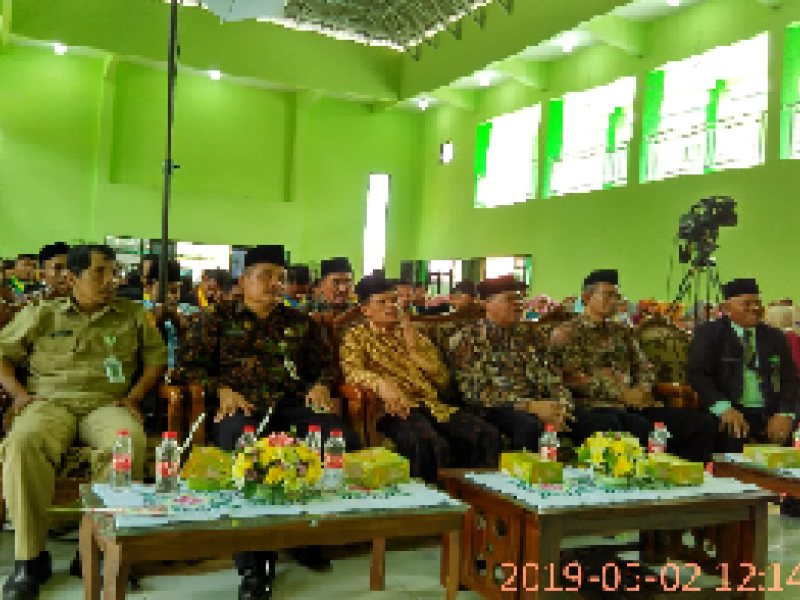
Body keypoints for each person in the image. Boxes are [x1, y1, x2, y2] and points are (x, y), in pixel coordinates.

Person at [176, 245, 360, 600]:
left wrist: (321, 383)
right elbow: (184, 367)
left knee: (338, 440)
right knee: (251, 458)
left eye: (281, 278)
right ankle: (253, 563)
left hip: (291, 405)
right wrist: (221, 388)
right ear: (243, 281)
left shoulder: (298, 322)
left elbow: (325, 365)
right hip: (241, 409)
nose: (275, 285)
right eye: (265, 277)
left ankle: (303, 535)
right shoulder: (216, 319)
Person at [0, 245, 167, 600]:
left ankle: (98, 549)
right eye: (100, 273)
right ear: (72, 277)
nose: (111, 281)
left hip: (106, 404)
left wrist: (135, 396)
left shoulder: (133, 314)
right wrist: (17, 395)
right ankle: (30, 559)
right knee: (24, 440)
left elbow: (155, 359)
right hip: (49, 403)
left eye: (114, 272)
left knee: (127, 440)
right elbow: (2, 354)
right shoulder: (42, 313)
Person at [340, 274, 500, 484]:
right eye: (383, 302)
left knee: (485, 434)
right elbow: (352, 371)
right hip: (396, 409)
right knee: (427, 443)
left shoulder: (414, 335)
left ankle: (478, 502)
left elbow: (442, 379)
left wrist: (414, 348)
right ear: (365, 310)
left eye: (394, 300)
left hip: (434, 406)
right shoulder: (356, 337)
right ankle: (433, 510)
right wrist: (381, 384)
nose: (391, 306)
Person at [550, 269, 716, 464]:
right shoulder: (567, 333)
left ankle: (690, 482)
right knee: (632, 426)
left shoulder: (622, 332)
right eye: (608, 295)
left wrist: (642, 390)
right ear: (587, 297)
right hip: (593, 407)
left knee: (701, 423)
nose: (614, 301)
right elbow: (572, 377)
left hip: (634, 405)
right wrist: (621, 393)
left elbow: (645, 367)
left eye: (617, 296)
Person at [450, 276, 622, 451]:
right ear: (485, 303)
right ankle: (521, 478)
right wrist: (530, 407)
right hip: (498, 409)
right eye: (510, 299)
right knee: (529, 427)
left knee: (603, 423)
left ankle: (590, 477)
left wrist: (560, 407)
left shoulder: (533, 336)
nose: (518, 304)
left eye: (520, 298)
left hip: (543, 404)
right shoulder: (468, 340)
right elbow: (475, 393)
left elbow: (554, 377)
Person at [688, 279, 800, 455]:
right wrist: (724, 408)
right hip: (730, 410)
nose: (754, 308)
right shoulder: (709, 333)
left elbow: (790, 380)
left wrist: (785, 414)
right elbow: (698, 375)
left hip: (771, 413)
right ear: (726, 308)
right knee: (732, 444)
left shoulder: (775, 337)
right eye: (746, 304)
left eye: (757, 303)